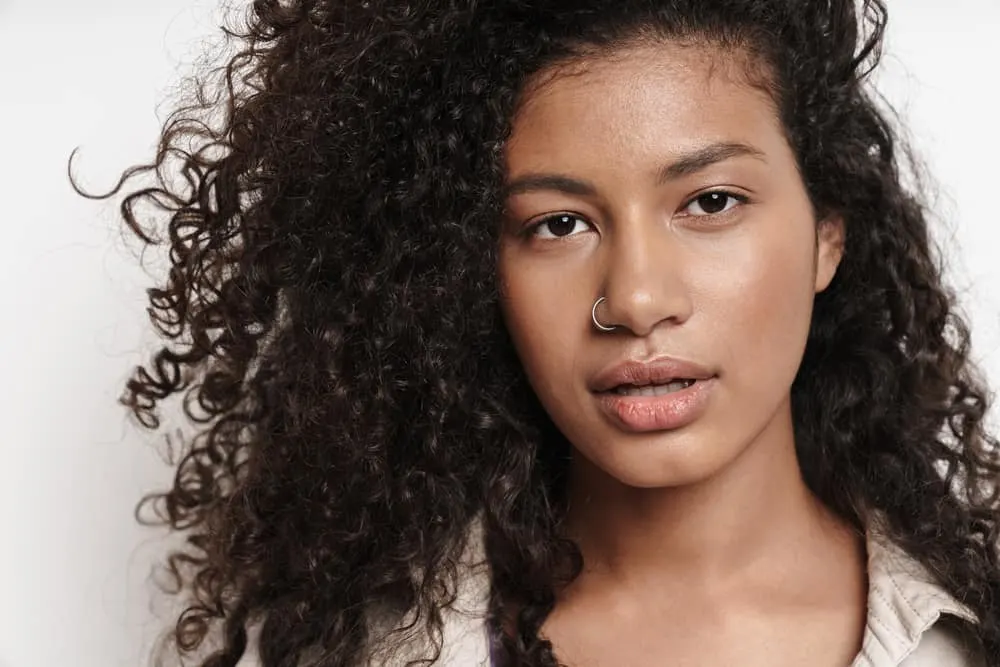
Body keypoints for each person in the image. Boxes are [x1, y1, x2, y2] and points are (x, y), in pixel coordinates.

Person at [75, 0, 1000, 665]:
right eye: (557, 224)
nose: (635, 299)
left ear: (825, 236)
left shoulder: (966, 640)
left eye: (711, 202)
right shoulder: (362, 647)